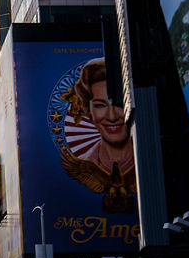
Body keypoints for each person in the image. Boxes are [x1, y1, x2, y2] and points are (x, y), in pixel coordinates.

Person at [59, 58, 137, 213]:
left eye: (119, 103)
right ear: (89, 112)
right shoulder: (87, 162)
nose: (112, 116)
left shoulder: (154, 158)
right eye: (100, 105)